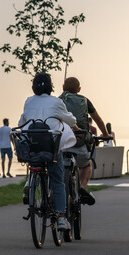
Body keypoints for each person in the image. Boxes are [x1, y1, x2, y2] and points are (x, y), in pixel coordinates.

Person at [17, 72, 77, 231]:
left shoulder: (28, 101)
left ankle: (31, 181)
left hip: (33, 144)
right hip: (51, 146)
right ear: (51, 86)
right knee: (57, 181)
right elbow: (70, 121)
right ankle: (62, 218)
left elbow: (22, 121)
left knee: (34, 161)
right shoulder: (56, 102)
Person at [59, 76, 111, 206]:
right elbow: (98, 119)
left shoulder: (58, 100)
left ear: (63, 87)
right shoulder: (85, 100)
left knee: (57, 164)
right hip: (80, 140)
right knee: (86, 165)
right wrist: (105, 134)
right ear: (79, 89)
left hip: (62, 141)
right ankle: (82, 187)